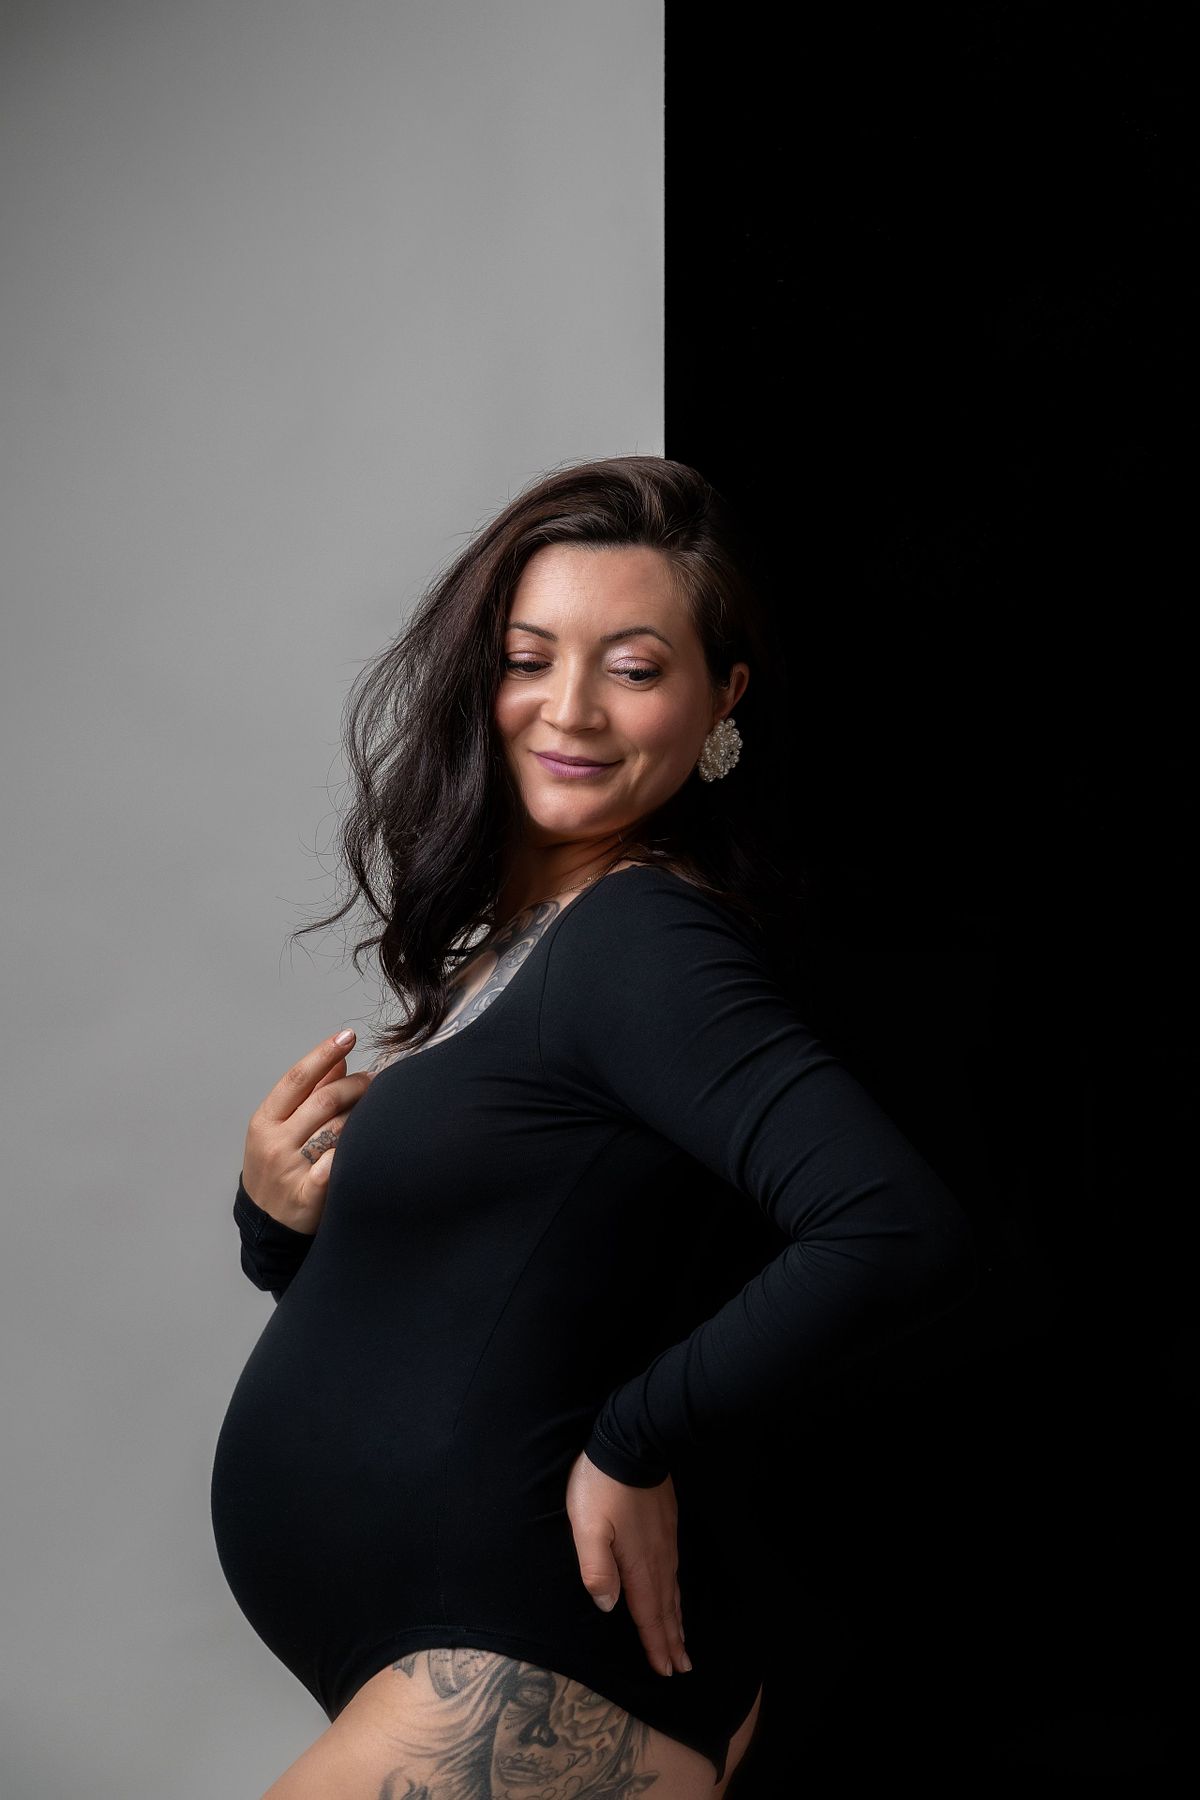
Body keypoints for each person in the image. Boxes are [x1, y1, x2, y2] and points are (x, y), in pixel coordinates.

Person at [210, 455, 977, 1798]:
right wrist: (273, 1223)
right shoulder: (524, 945)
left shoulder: (641, 937)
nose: (569, 709)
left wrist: (636, 1437)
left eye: (633, 668)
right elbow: (459, 1307)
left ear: (721, 701)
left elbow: (887, 1221)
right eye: (528, 658)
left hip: (535, 1664)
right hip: (472, 1650)